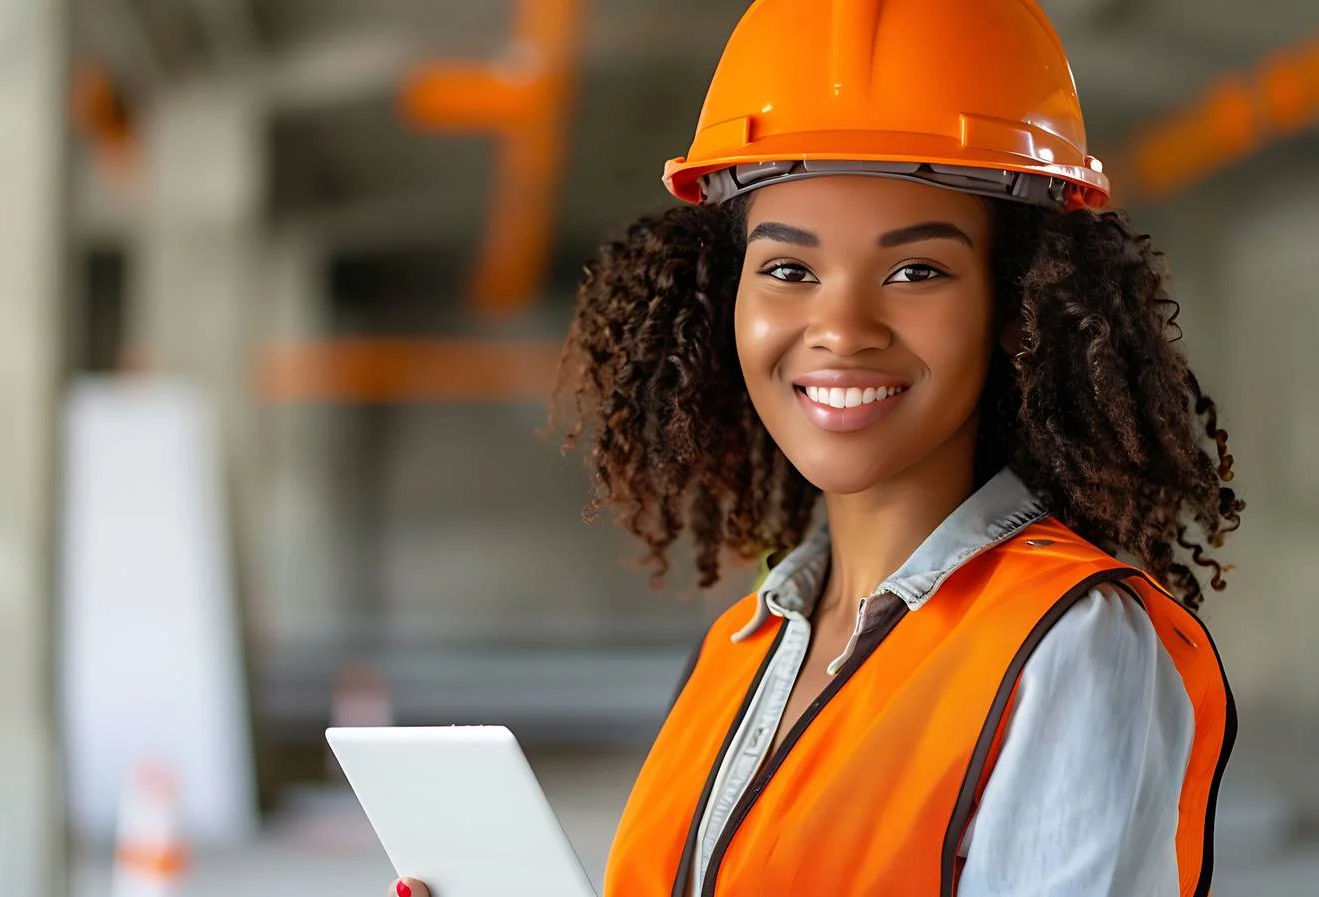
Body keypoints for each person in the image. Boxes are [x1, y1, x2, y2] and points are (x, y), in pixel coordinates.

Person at [389, 0, 1243, 894]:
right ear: (726, 297)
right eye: (789, 270)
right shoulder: (742, 646)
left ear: (1018, 305)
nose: (840, 328)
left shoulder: (1065, 643)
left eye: (917, 270)